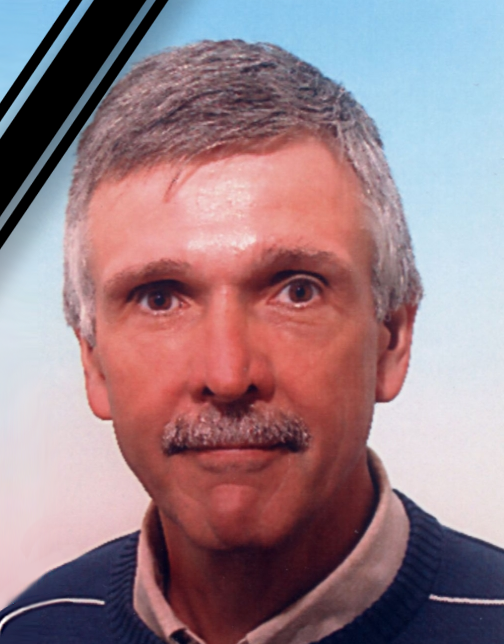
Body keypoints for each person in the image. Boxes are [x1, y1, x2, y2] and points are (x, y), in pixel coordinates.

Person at [1, 39, 503, 644]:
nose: (228, 374)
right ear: (94, 362)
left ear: (391, 340)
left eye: (297, 291)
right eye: (159, 298)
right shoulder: (29, 628)